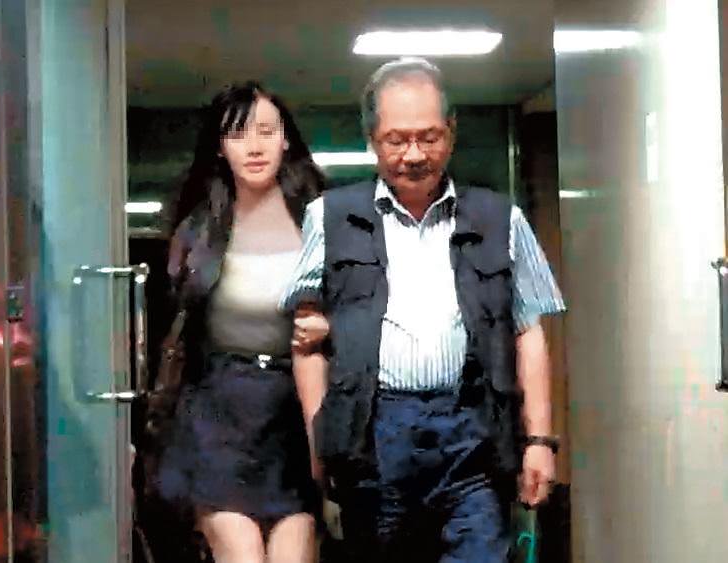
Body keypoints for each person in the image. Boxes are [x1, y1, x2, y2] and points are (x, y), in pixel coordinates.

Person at [280, 58, 566, 562]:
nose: (414, 154)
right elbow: (306, 341)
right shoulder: (328, 218)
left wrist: (540, 440)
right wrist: (319, 443)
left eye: (429, 137)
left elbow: (528, 332)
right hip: (373, 437)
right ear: (372, 138)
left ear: (451, 132)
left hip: (474, 433)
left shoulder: (501, 218)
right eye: (396, 140)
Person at [157, 82, 329, 563]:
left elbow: (362, 304)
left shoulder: (322, 216)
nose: (254, 147)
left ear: (286, 140)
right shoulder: (198, 227)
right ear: (219, 147)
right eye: (237, 135)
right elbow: (175, 326)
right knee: (242, 554)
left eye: (266, 132)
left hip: (296, 410)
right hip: (219, 410)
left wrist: (329, 328)